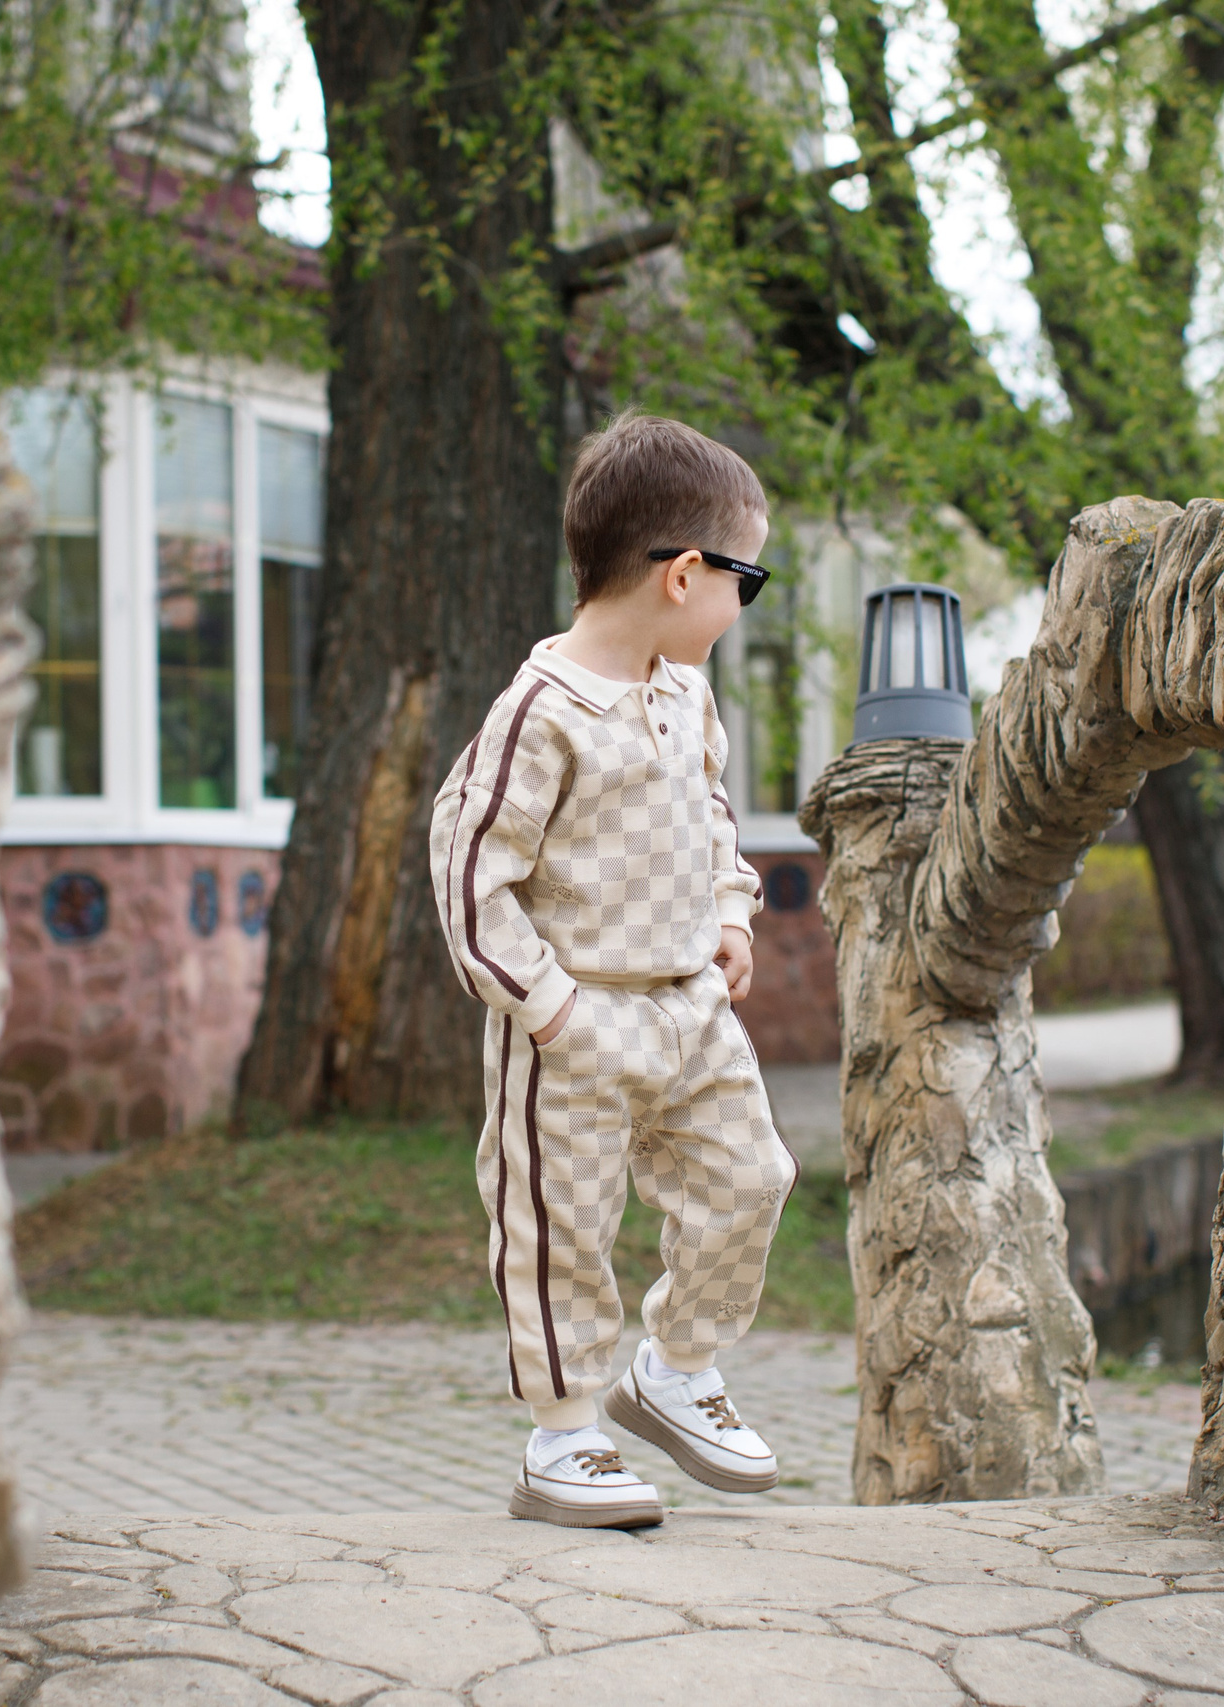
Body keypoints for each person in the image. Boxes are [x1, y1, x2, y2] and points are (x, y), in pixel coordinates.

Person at [428, 411, 799, 1528]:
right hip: (577, 1023)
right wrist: (549, 1013)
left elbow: (709, 807)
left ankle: (675, 1370)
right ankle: (564, 1433)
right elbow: (469, 872)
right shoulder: (541, 715)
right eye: (746, 579)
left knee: (752, 1177)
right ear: (685, 575)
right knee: (561, 1229)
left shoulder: (683, 692)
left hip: (690, 1010)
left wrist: (729, 909)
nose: (743, 603)